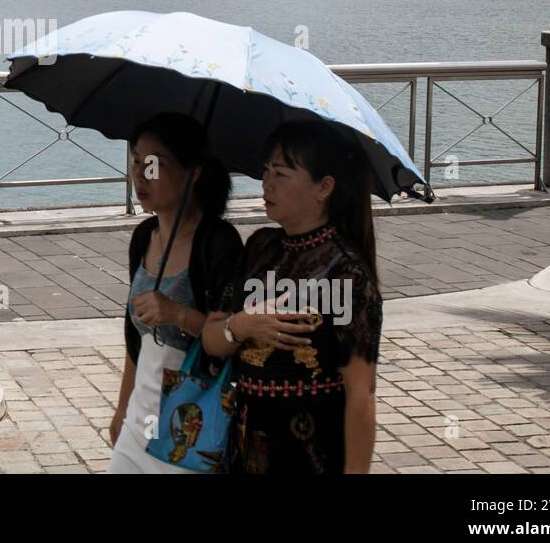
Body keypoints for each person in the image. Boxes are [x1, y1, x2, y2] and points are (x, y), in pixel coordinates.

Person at [201, 119, 382, 474]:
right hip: (245, 449)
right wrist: (240, 325)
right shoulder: (258, 247)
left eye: (281, 174)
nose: (266, 182)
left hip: (311, 456)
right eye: (266, 170)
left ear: (324, 187)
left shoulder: (344, 272)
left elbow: (361, 393)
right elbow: (211, 338)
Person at [108, 113, 243, 474]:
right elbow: (135, 340)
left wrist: (177, 314)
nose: (140, 174)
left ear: (194, 173)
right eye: (136, 160)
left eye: (154, 164)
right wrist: (122, 408)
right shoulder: (143, 237)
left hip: (191, 420)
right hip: (141, 415)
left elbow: (234, 337)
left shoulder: (218, 244)